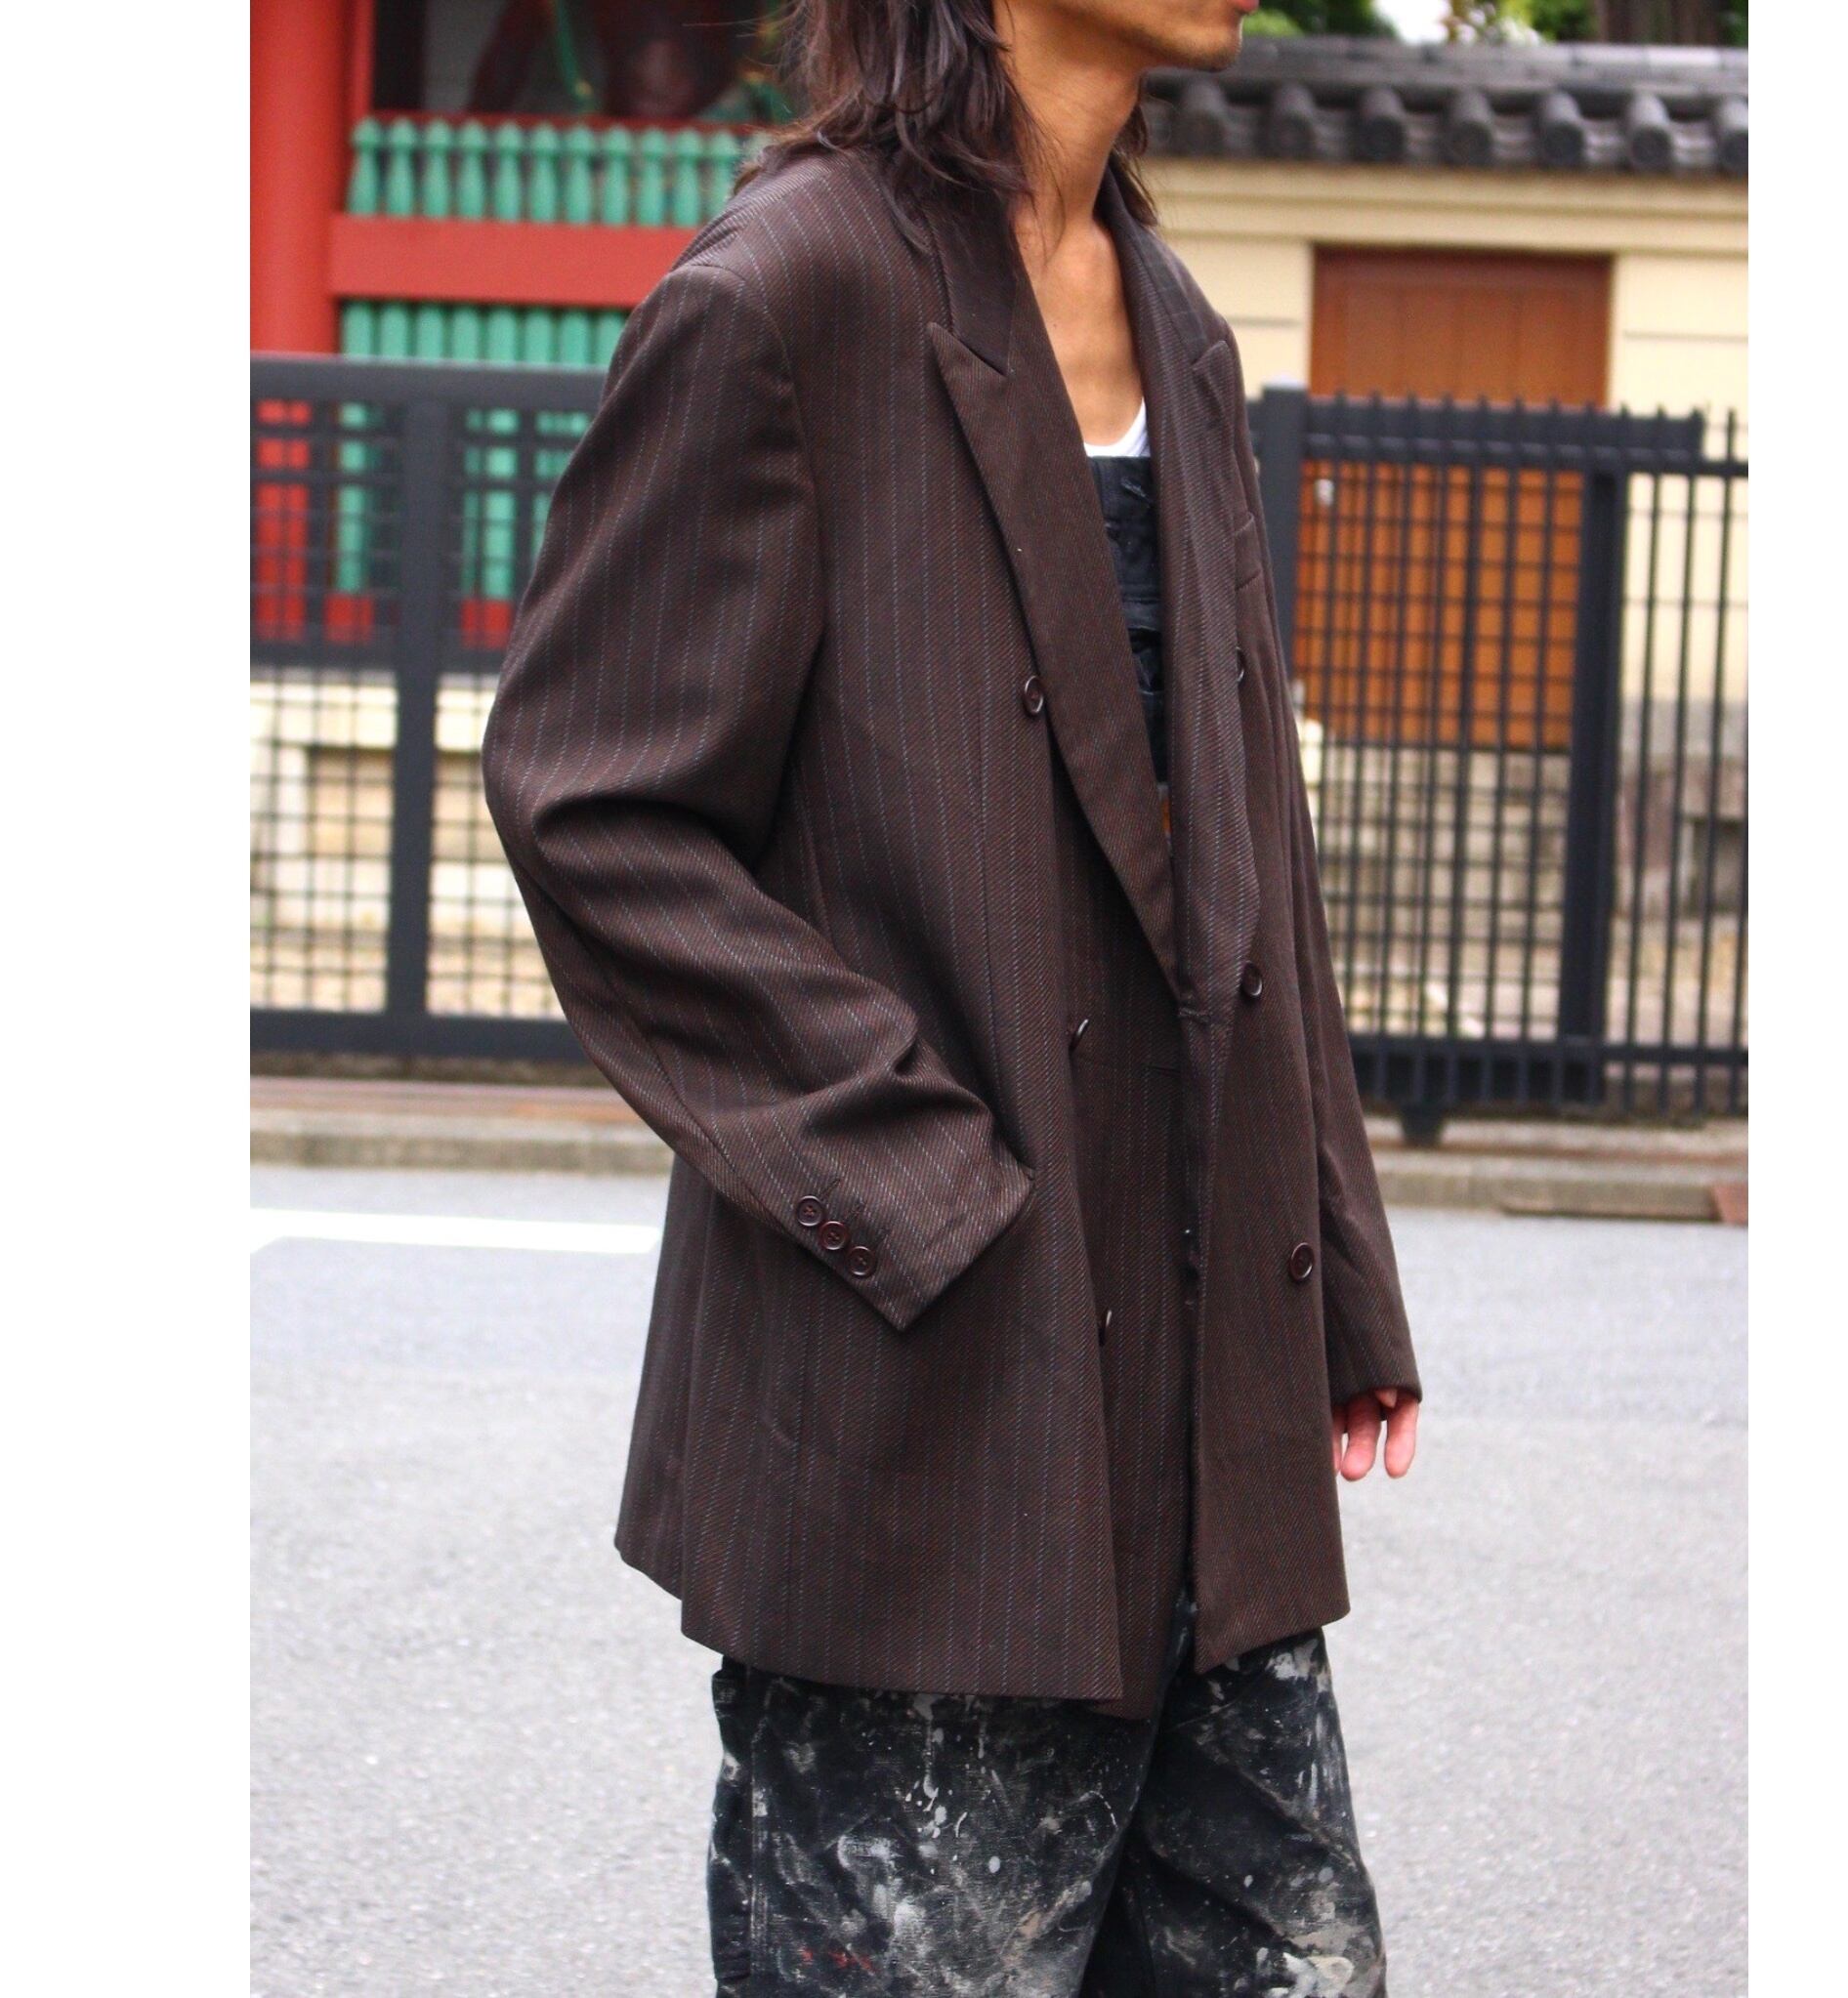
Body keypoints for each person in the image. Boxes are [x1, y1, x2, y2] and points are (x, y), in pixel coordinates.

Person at [481, 3, 1423, 1989]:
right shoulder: (788, 294)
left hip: (1202, 1419)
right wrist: (913, 1183)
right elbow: (592, 800)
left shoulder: (1176, 326)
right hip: (928, 1420)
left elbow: (1245, 846)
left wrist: (1336, 1264)